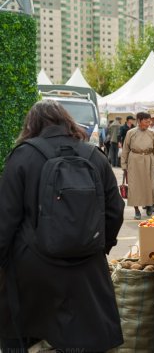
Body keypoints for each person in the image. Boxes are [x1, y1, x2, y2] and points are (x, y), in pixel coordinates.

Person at [0, 100, 125, 351]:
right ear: (68, 122)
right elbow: (115, 211)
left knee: (23, 332)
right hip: (87, 269)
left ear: (31, 126)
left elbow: (6, 218)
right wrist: (99, 246)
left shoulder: (23, 156)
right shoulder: (94, 156)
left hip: (32, 269)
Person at [121, 112, 154, 219]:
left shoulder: (152, 133)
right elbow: (125, 149)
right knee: (135, 187)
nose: (149, 124)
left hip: (148, 161)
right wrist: (124, 165)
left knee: (150, 186)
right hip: (134, 161)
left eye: (149, 122)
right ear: (139, 121)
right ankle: (136, 210)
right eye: (146, 121)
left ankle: (149, 205)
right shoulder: (130, 133)